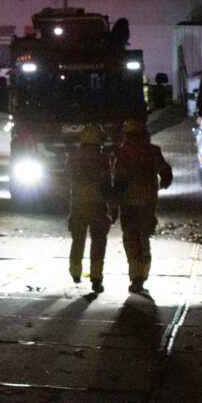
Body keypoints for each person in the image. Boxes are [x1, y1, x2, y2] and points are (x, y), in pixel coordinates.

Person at [113, 118, 172, 295]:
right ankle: (143, 275)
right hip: (148, 202)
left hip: (128, 203)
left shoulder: (122, 152)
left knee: (131, 239)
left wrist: (114, 202)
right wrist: (163, 184)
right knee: (144, 238)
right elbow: (165, 172)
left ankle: (135, 276)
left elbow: (117, 179)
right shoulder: (153, 151)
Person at [66, 123, 113, 293]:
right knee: (98, 242)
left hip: (78, 205)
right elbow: (107, 184)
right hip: (98, 206)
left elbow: (67, 178)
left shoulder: (73, 156)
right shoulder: (103, 159)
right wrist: (112, 207)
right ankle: (96, 278)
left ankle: (75, 272)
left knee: (78, 240)